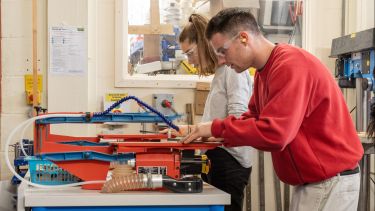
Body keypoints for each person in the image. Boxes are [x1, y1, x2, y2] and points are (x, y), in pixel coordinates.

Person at [181, 8, 364, 211]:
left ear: (243, 38)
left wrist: (215, 129)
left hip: (329, 182)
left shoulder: (290, 65)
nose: (221, 60)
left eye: (223, 51)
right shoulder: (264, 72)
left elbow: (276, 133)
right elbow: (252, 117)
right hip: (313, 182)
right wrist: (206, 132)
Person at [166, 13, 254, 211]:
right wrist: (188, 130)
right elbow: (217, 121)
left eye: (190, 53)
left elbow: (238, 120)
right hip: (217, 159)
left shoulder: (233, 71)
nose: (190, 61)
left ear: (205, 44)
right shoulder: (222, 73)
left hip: (229, 161)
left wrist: (201, 134)